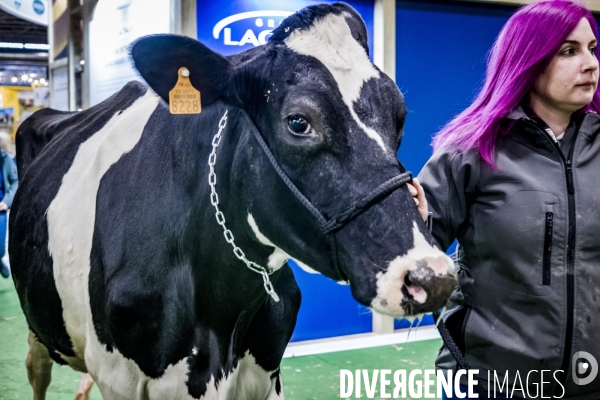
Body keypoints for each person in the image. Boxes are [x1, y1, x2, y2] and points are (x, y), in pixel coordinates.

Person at [408, 1, 600, 398]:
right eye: (569, 51)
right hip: (493, 382)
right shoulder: (472, 151)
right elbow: (416, 250)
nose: (590, 63)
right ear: (528, 62)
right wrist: (409, 222)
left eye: (592, 49)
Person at [0, 130, 18, 278]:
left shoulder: (6, 159)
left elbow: (15, 181)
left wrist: (6, 202)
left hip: (0, 208)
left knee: (0, 248)